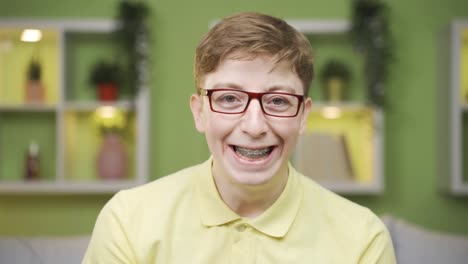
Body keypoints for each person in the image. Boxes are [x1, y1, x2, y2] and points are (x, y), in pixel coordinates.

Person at [83, 12, 396, 263]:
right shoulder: (127, 221)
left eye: (278, 101)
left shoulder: (362, 239)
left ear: (302, 115)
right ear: (199, 112)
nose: (255, 125)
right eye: (230, 98)